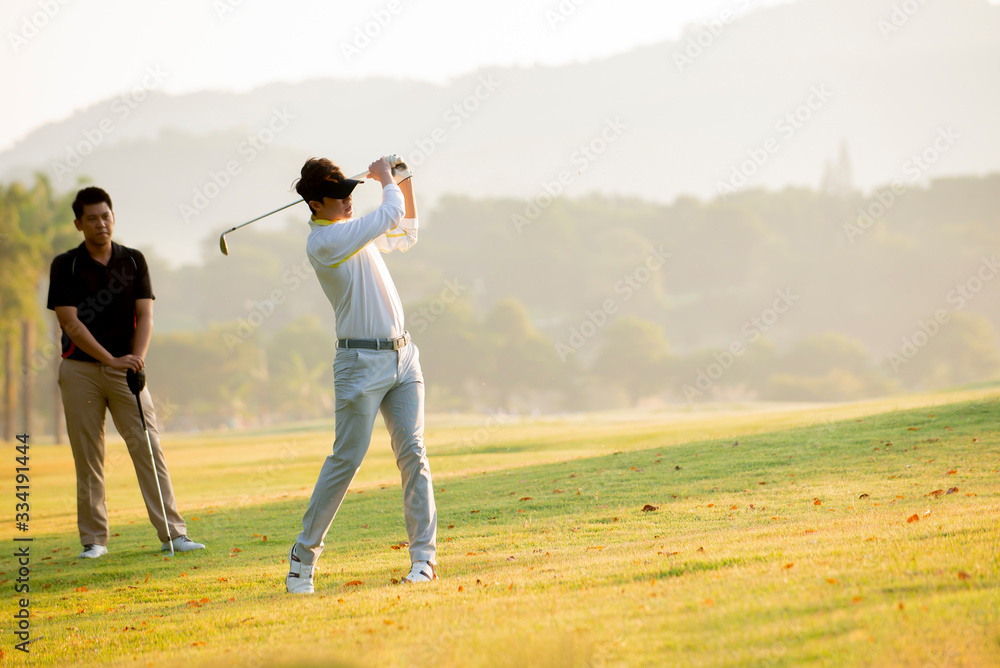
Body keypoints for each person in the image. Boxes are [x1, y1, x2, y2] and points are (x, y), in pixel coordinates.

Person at [285, 156, 437, 593]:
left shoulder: (352, 232)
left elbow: (404, 231)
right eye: (340, 196)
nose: (350, 200)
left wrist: (403, 180)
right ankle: (304, 557)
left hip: (404, 358)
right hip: (358, 365)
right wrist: (386, 180)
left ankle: (423, 561)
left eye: (352, 192)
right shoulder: (326, 243)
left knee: (413, 453)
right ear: (316, 204)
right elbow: (386, 213)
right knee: (347, 460)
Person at [47, 186, 204, 559]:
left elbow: (146, 314)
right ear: (78, 224)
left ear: (113, 218)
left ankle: (173, 534)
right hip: (80, 371)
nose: (101, 223)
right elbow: (70, 323)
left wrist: (135, 358)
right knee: (88, 456)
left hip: (126, 369)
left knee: (149, 447)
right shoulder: (66, 265)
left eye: (106, 216)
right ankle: (94, 541)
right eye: (92, 218)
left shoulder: (133, 260)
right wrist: (110, 359)